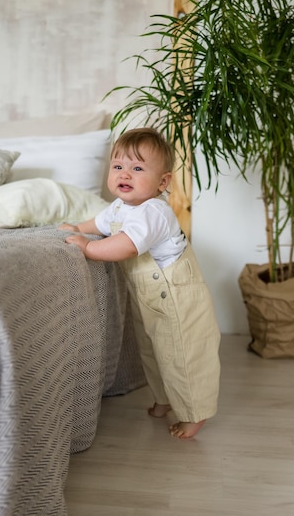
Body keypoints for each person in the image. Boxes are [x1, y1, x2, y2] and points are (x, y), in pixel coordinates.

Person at [59, 127, 220, 439]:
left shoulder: (153, 212)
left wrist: (88, 247)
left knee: (183, 354)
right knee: (154, 350)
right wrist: (80, 226)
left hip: (178, 295)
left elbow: (127, 246)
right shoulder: (121, 206)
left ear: (162, 182)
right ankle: (163, 398)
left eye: (137, 168)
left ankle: (194, 413)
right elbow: (102, 222)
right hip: (151, 296)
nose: (125, 174)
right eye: (118, 166)